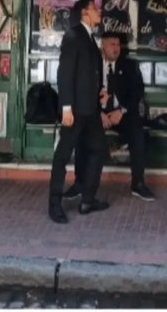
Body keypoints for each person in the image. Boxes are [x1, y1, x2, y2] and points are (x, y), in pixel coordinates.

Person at [62, 33, 154, 202]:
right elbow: (83, 92)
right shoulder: (92, 66)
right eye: (112, 44)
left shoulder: (129, 66)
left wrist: (121, 111)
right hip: (96, 113)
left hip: (122, 114)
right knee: (82, 135)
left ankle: (138, 184)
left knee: (138, 133)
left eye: (118, 44)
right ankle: (79, 184)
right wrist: (99, 113)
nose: (116, 48)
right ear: (102, 46)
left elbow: (136, 92)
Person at [48, 0, 108, 223]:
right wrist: (66, 108)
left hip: (90, 109)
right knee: (62, 155)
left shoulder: (90, 38)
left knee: (99, 149)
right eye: (95, 9)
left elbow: (90, 74)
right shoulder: (73, 36)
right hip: (74, 110)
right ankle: (54, 204)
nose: (99, 12)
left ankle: (88, 199)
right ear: (85, 13)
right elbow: (65, 75)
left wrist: (99, 91)